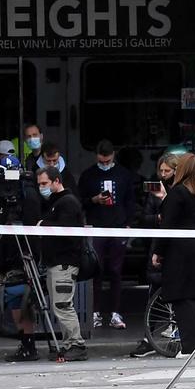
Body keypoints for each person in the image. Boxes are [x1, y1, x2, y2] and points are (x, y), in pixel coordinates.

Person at [28, 166, 89, 362]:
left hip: (64, 263)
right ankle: (69, 343)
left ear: (56, 181)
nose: (41, 188)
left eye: (45, 183)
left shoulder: (67, 203)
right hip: (57, 263)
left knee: (63, 305)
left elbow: (65, 231)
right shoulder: (57, 203)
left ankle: (76, 344)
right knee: (59, 305)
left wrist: (42, 225)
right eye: (39, 184)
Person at [152, 153, 195, 358]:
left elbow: (168, 225)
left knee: (182, 297)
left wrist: (158, 251)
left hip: (179, 251)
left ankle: (190, 346)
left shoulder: (177, 194)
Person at [77, 140, 135, 330]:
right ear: (96, 156)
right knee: (96, 270)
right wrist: (94, 199)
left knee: (116, 271)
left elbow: (130, 201)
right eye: (101, 161)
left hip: (118, 226)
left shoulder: (124, 175)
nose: (104, 163)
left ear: (113, 156)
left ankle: (115, 313)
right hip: (96, 226)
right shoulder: (88, 175)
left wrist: (128, 224)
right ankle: (95, 312)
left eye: (107, 160)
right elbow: (80, 202)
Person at [129, 153, 180, 358]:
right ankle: (148, 338)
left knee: (181, 294)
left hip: (177, 249)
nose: (163, 174)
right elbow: (144, 217)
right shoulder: (154, 191)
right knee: (155, 293)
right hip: (158, 247)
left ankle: (181, 335)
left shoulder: (182, 191)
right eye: (161, 170)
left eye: (167, 171)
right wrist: (158, 216)